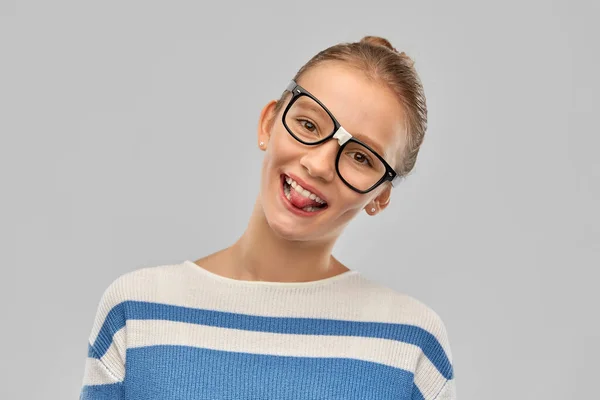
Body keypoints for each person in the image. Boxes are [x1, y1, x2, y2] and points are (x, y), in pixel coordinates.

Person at [79, 35, 457, 400]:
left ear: (381, 195)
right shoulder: (138, 312)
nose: (319, 164)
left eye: (361, 157)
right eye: (309, 125)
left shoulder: (410, 345)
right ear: (268, 122)